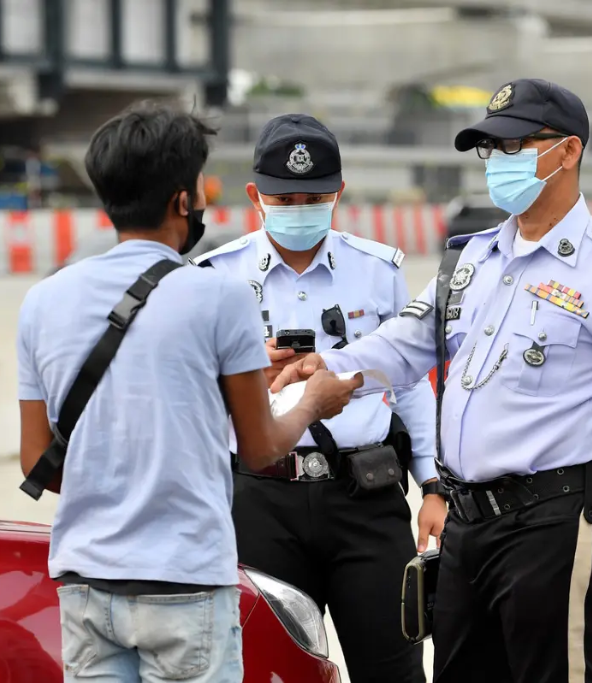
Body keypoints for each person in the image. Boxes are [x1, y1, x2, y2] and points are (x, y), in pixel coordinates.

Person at [272, 79, 592, 683]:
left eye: (516, 145)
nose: (499, 160)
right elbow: (406, 343)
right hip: (467, 524)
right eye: (491, 148)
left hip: (554, 521)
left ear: (569, 151)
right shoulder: (471, 260)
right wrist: (330, 367)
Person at [16, 101, 362, 683]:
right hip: (185, 580)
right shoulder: (218, 296)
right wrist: (311, 404)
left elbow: (35, 460)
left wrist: (115, 491)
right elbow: (260, 447)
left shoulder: (43, 300)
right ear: (183, 200)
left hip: (85, 581)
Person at [190, 113, 443, 683]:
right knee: (268, 670)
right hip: (259, 501)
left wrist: (432, 485)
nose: (299, 209)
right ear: (255, 196)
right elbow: (194, 397)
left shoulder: (376, 271)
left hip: (365, 498)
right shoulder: (216, 276)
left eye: (314, 198)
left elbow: (408, 383)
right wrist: (246, 371)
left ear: (338, 194)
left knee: (394, 669)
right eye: (285, 199)